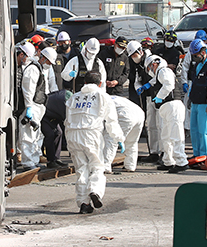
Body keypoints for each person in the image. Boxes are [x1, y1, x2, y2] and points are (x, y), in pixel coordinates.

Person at [65, 70, 124, 214]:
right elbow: (111, 121)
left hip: (73, 135)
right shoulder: (103, 96)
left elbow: (67, 118)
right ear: (100, 83)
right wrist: (119, 138)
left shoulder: (74, 97)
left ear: (84, 82)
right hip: (91, 134)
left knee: (81, 169)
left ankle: (84, 203)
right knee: (97, 166)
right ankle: (95, 191)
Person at [145, 55, 188, 172]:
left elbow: (169, 85)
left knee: (176, 135)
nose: (150, 71)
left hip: (172, 105)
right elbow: (157, 81)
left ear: (153, 64)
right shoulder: (160, 72)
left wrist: (159, 97)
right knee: (166, 136)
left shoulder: (164, 70)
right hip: (165, 107)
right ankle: (168, 160)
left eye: (149, 68)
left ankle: (181, 161)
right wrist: (148, 84)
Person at [16, 42, 48, 171]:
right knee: (27, 136)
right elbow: (27, 90)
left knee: (35, 135)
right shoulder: (32, 69)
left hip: (36, 106)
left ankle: (33, 160)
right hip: (30, 106)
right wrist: (28, 107)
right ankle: (28, 162)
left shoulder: (36, 68)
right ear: (22, 54)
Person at [103, 95, 145, 173]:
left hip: (124, 114)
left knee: (111, 139)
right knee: (131, 142)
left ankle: (105, 166)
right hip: (139, 112)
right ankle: (130, 165)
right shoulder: (111, 97)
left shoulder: (99, 100)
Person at [41, 89, 71, 168]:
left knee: (59, 133)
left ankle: (56, 158)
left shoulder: (67, 97)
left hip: (53, 115)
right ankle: (51, 161)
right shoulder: (66, 103)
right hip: (44, 114)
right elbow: (68, 121)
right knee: (50, 135)